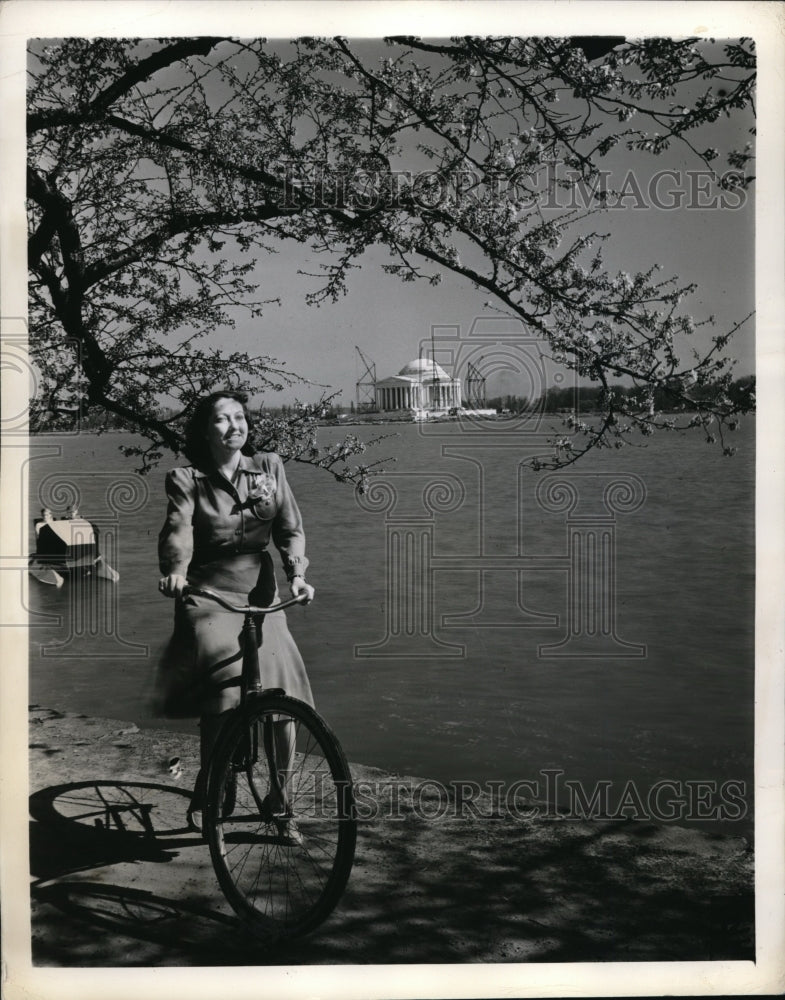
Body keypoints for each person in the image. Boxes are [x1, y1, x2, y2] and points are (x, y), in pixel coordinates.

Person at [156, 390, 315, 837]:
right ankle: (214, 795)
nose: (234, 426)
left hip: (261, 591)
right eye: (222, 420)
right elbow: (178, 530)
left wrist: (297, 574)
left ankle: (280, 799)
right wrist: (175, 570)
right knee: (223, 700)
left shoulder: (269, 468)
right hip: (207, 591)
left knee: (286, 701)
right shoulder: (186, 478)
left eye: (240, 417)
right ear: (205, 431)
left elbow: (289, 529)